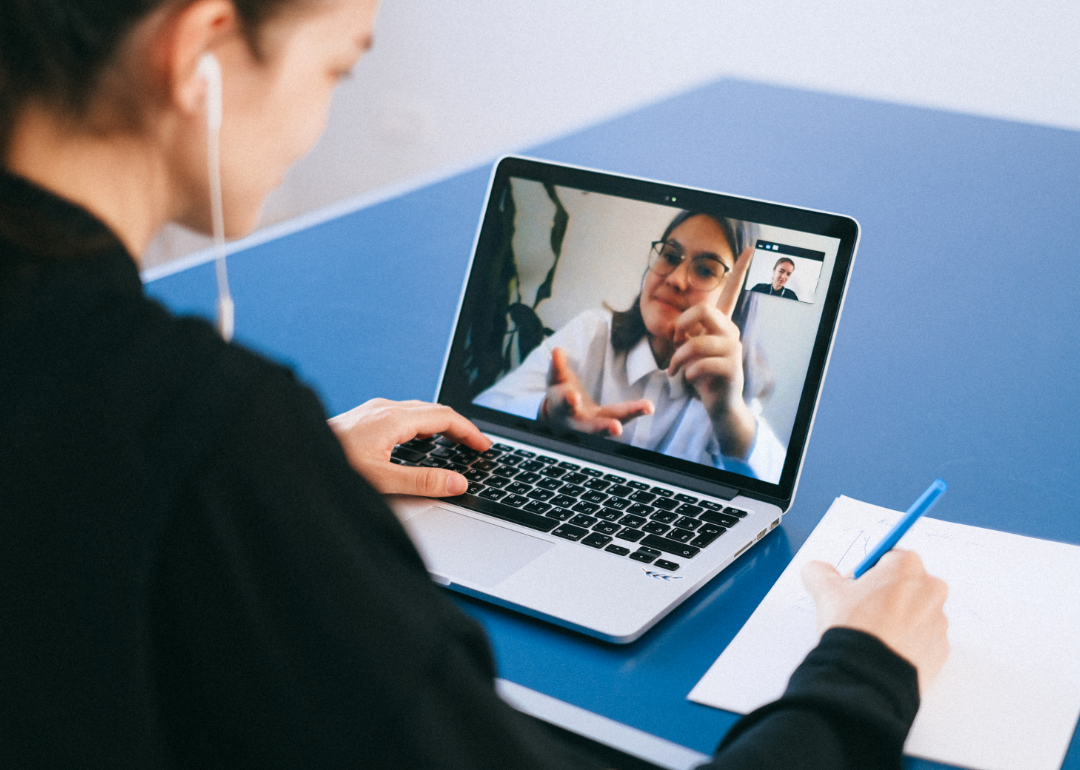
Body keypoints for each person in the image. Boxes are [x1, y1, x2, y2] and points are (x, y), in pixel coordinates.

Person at [0, 1, 949, 768]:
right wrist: (863, 675)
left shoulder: (735, 380)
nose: (324, 115)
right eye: (338, 68)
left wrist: (297, 465)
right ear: (200, 49)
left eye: (706, 267)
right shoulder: (220, 433)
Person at [475, 210, 786, 482]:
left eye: (705, 269)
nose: (676, 279)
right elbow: (484, 409)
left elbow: (774, 491)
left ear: (738, 299)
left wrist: (728, 413)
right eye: (669, 256)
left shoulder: (729, 393)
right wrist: (546, 412)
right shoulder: (592, 332)